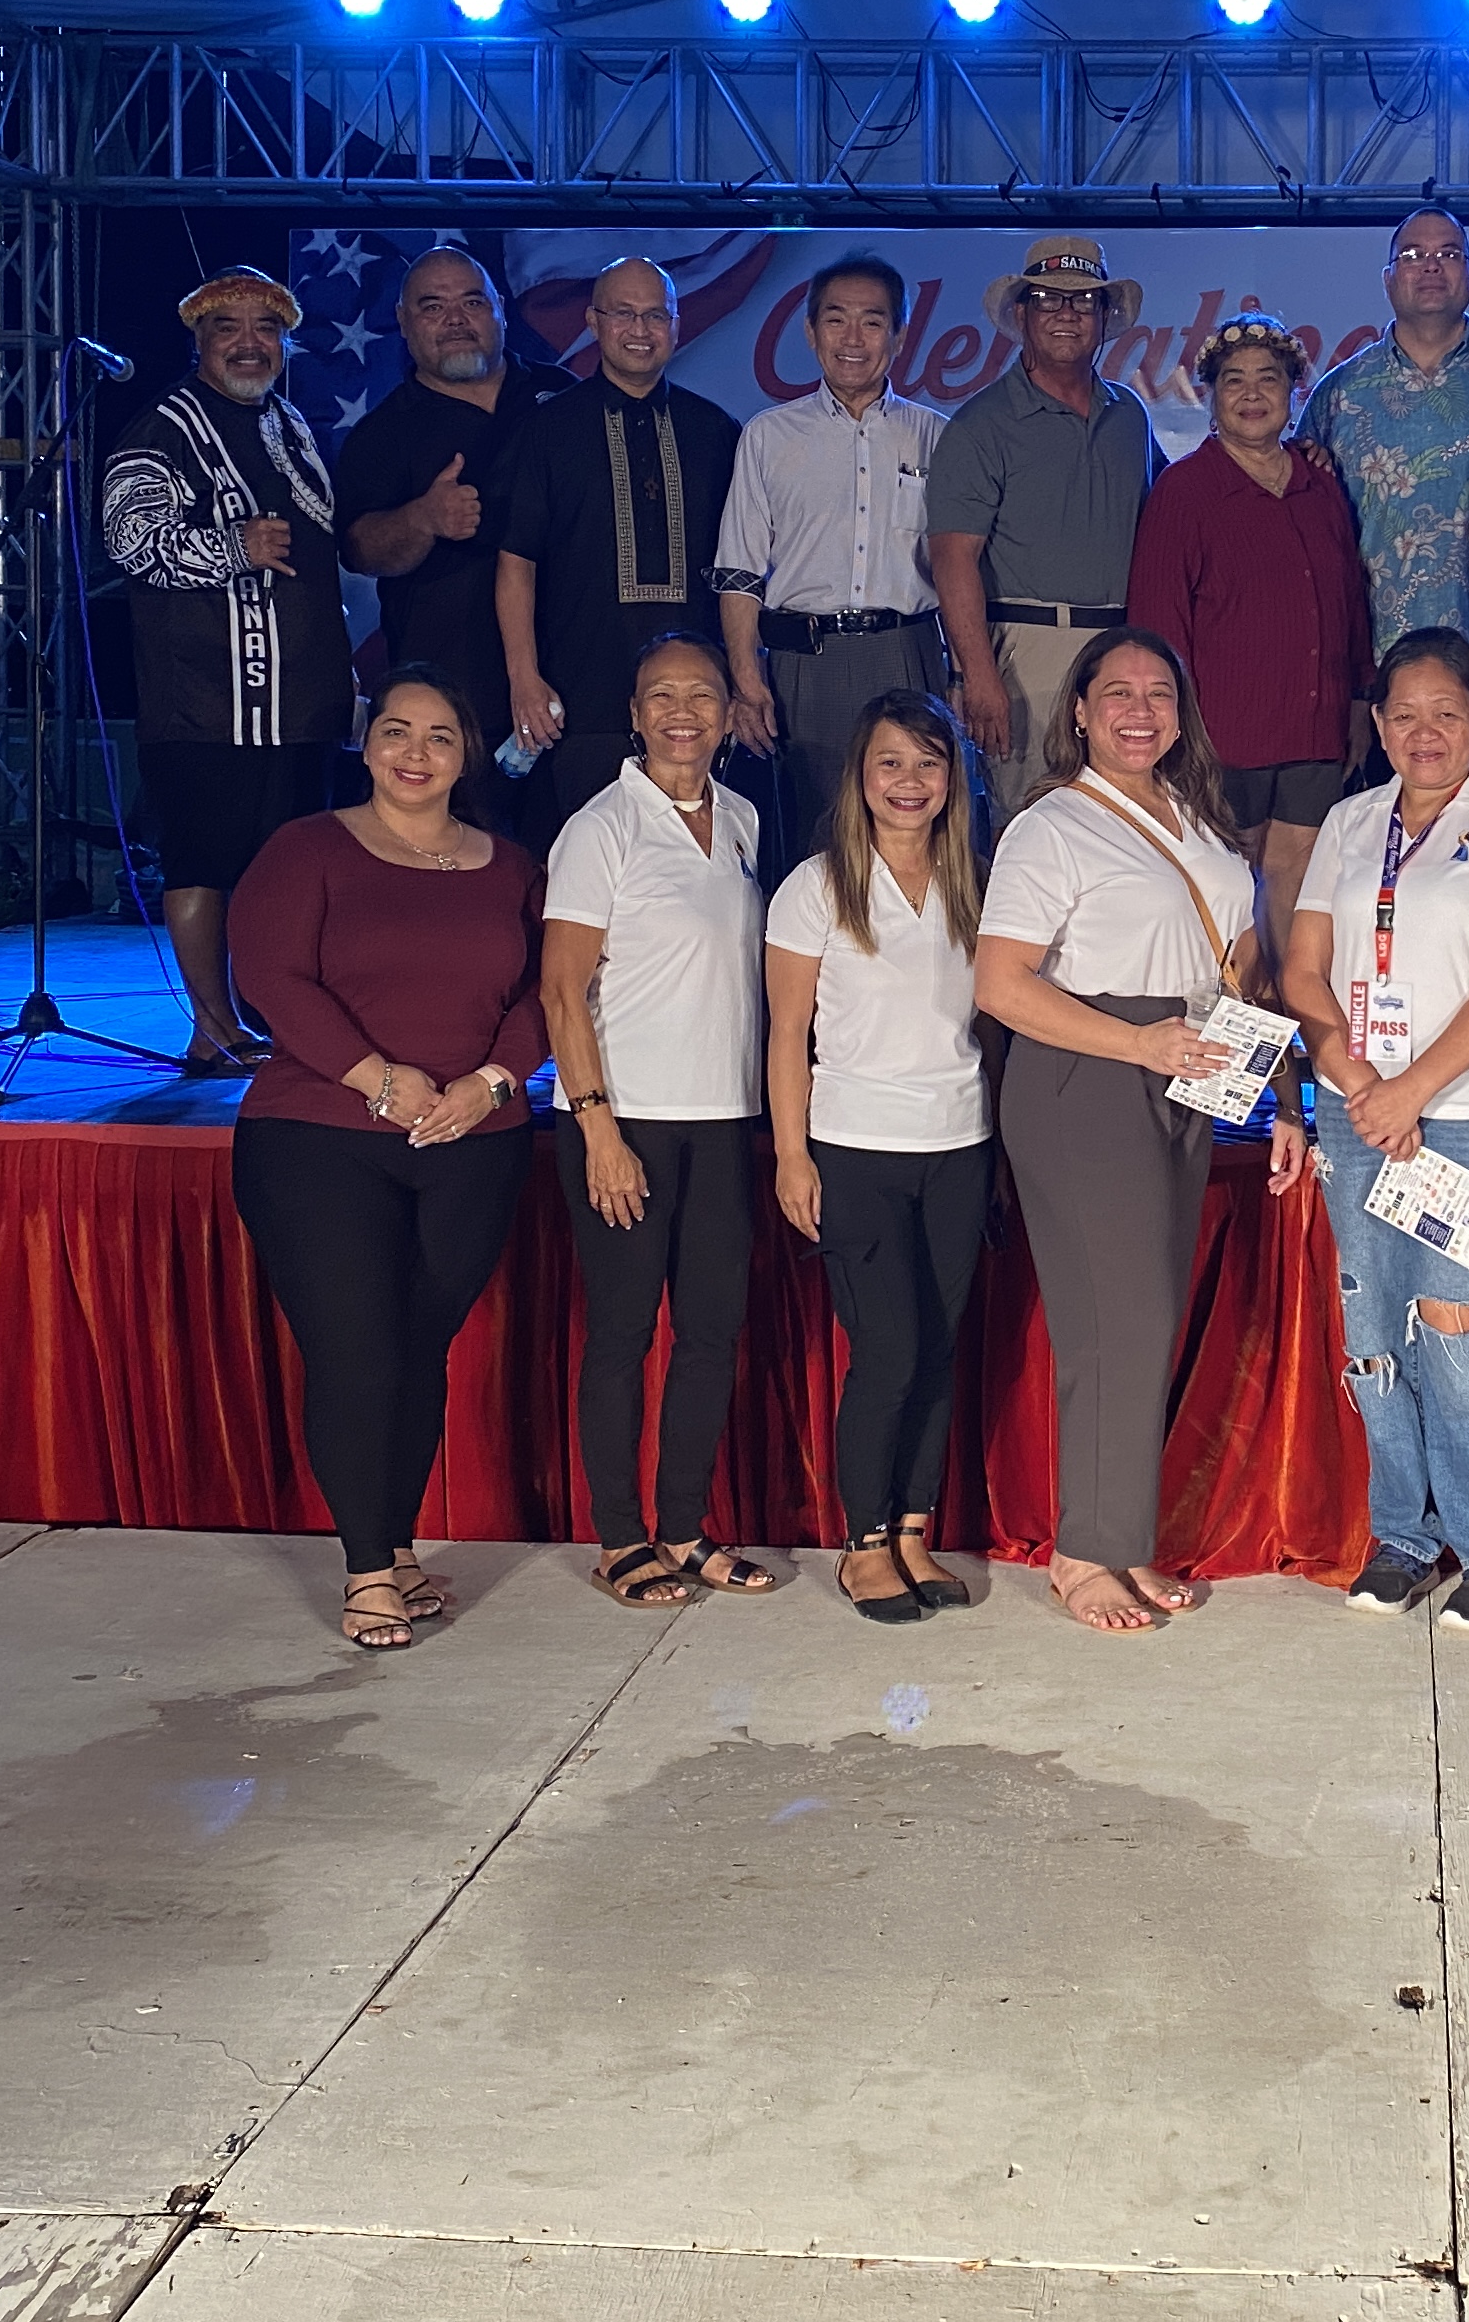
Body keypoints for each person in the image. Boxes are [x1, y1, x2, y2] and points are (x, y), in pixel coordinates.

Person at [972, 626, 1307, 1636]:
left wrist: (1283, 1098)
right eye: (1115, 691)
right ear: (1077, 711)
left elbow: (1243, 974)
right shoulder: (1054, 828)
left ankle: (1116, 1539)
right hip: (1091, 1077)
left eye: (1159, 692)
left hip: (1188, 1069)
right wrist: (1138, 1046)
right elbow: (1001, 985)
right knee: (1115, 1321)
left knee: (1141, 1320)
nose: (1138, 709)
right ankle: (1083, 1550)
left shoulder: (1202, 822)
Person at [226, 668, 545, 1650]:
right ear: (367, 746)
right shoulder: (306, 850)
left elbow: (546, 997)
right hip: (320, 1139)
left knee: (415, 1352)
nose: (415, 753)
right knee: (358, 1350)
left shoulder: (512, 868)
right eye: (396, 732)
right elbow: (270, 975)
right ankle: (368, 1570)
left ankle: (397, 1545)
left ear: (467, 753)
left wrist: (489, 1085)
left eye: (439, 736)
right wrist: (378, 1077)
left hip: (472, 1145)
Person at [1281, 629, 1469, 1627]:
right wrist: (1357, 1079)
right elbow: (1304, 969)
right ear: (1378, 724)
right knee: (1372, 1334)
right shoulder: (1352, 822)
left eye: (1447, 711)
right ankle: (1402, 1535)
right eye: (1404, 712)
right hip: (1361, 1111)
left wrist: (1414, 1091)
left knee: (1457, 1325)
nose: (1425, 731)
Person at [541, 633, 776, 1608]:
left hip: (725, 1119)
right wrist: (598, 1126)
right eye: (660, 695)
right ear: (635, 716)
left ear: (729, 714)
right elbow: (562, 991)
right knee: (626, 1331)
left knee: (712, 1332)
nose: (683, 710)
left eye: (703, 694)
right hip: (625, 1121)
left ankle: (684, 1528)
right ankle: (619, 1538)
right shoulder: (601, 829)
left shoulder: (746, 820)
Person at [764, 689, 989, 1625]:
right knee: (888, 1347)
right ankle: (862, 1542)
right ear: (860, 774)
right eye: (890, 761)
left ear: (953, 781)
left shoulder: (980, 882)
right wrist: (790, 1155)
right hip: (854, 1146)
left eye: (928, 764)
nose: (909, 781)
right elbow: (785, 1034)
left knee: (935, 1348)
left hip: (961, 1143)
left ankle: (911, 1529)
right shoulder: (814, 886)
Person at [101, 267, 355, 1072]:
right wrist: (232, 548)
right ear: (199, 340)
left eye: (265, 329)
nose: (250, 343)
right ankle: (210, 1029)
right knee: (204, 862)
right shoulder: (164, 426)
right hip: (207, 699)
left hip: (296, 700)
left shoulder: (288, 423)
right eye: (229, 328)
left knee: (281, 869)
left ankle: (268, 1019)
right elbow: (128, 539)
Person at [1126, 312, 1374, 972]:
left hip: (1314, 730)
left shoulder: (1319, 484)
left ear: (1294, 390)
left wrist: (1356, 703)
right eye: (1233, 380)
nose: (1252, 392)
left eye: (1269, 378)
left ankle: (1298, 1038)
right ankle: (1233, 1042)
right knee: (1228, 891)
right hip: (1223, 738)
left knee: (1299, 885)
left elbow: (1349, 600)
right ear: (1208, 394)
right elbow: (1157, 626)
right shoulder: (1184, 491)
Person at [1302, 209, 1469, 787]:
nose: (1430, 267)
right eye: (1413, 255)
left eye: (1448, 254)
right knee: (1389, 840)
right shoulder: (1340, 394)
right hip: (1381, 664)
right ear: (1387, 277)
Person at [493, 257, 747, 845]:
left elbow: (742, 572)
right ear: (593, 321)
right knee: (587, 872)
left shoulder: (716, 431)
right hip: (581, 700)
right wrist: (523, 677)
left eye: (655, 315)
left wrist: (739, 681)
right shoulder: (548, 430)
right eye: (623, 314)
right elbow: (516, 564)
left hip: (693, 713)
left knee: (690, 872)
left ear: (676, 326)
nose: (640, 329)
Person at [717, 253, 947, 864]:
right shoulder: (768, 435)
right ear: (810, 330)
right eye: (836, 320)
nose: (853, 339)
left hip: (907, 651)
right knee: (816, 839)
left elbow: (961, 567)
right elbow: (739, 570)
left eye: (872, 323)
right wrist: (746, 677)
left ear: (899, 334)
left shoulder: (935, 435)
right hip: (804, 665)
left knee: (915, 832)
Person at [925, 236, 1162, 825]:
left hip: (1120, 648)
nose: (1066, 313)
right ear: (1023, 315)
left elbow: (1174, 514)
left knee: (1121, 819)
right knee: (1031, 821)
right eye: (1048, 300)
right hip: (1026, 652)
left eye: (1084, 301)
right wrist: (978, 673)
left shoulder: (1129, 414)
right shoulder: (982, 424)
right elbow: (953, 560)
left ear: (1105, 319)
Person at [334, 250, 567, 752]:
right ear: (402, 320)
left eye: (472, 302)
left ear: (500, 309)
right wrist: (423, 518)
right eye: (433, 307)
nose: (455, 320)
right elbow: (358, 550)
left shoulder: (562, 395)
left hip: (576, 677)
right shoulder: (382, 434)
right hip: (455, 694)